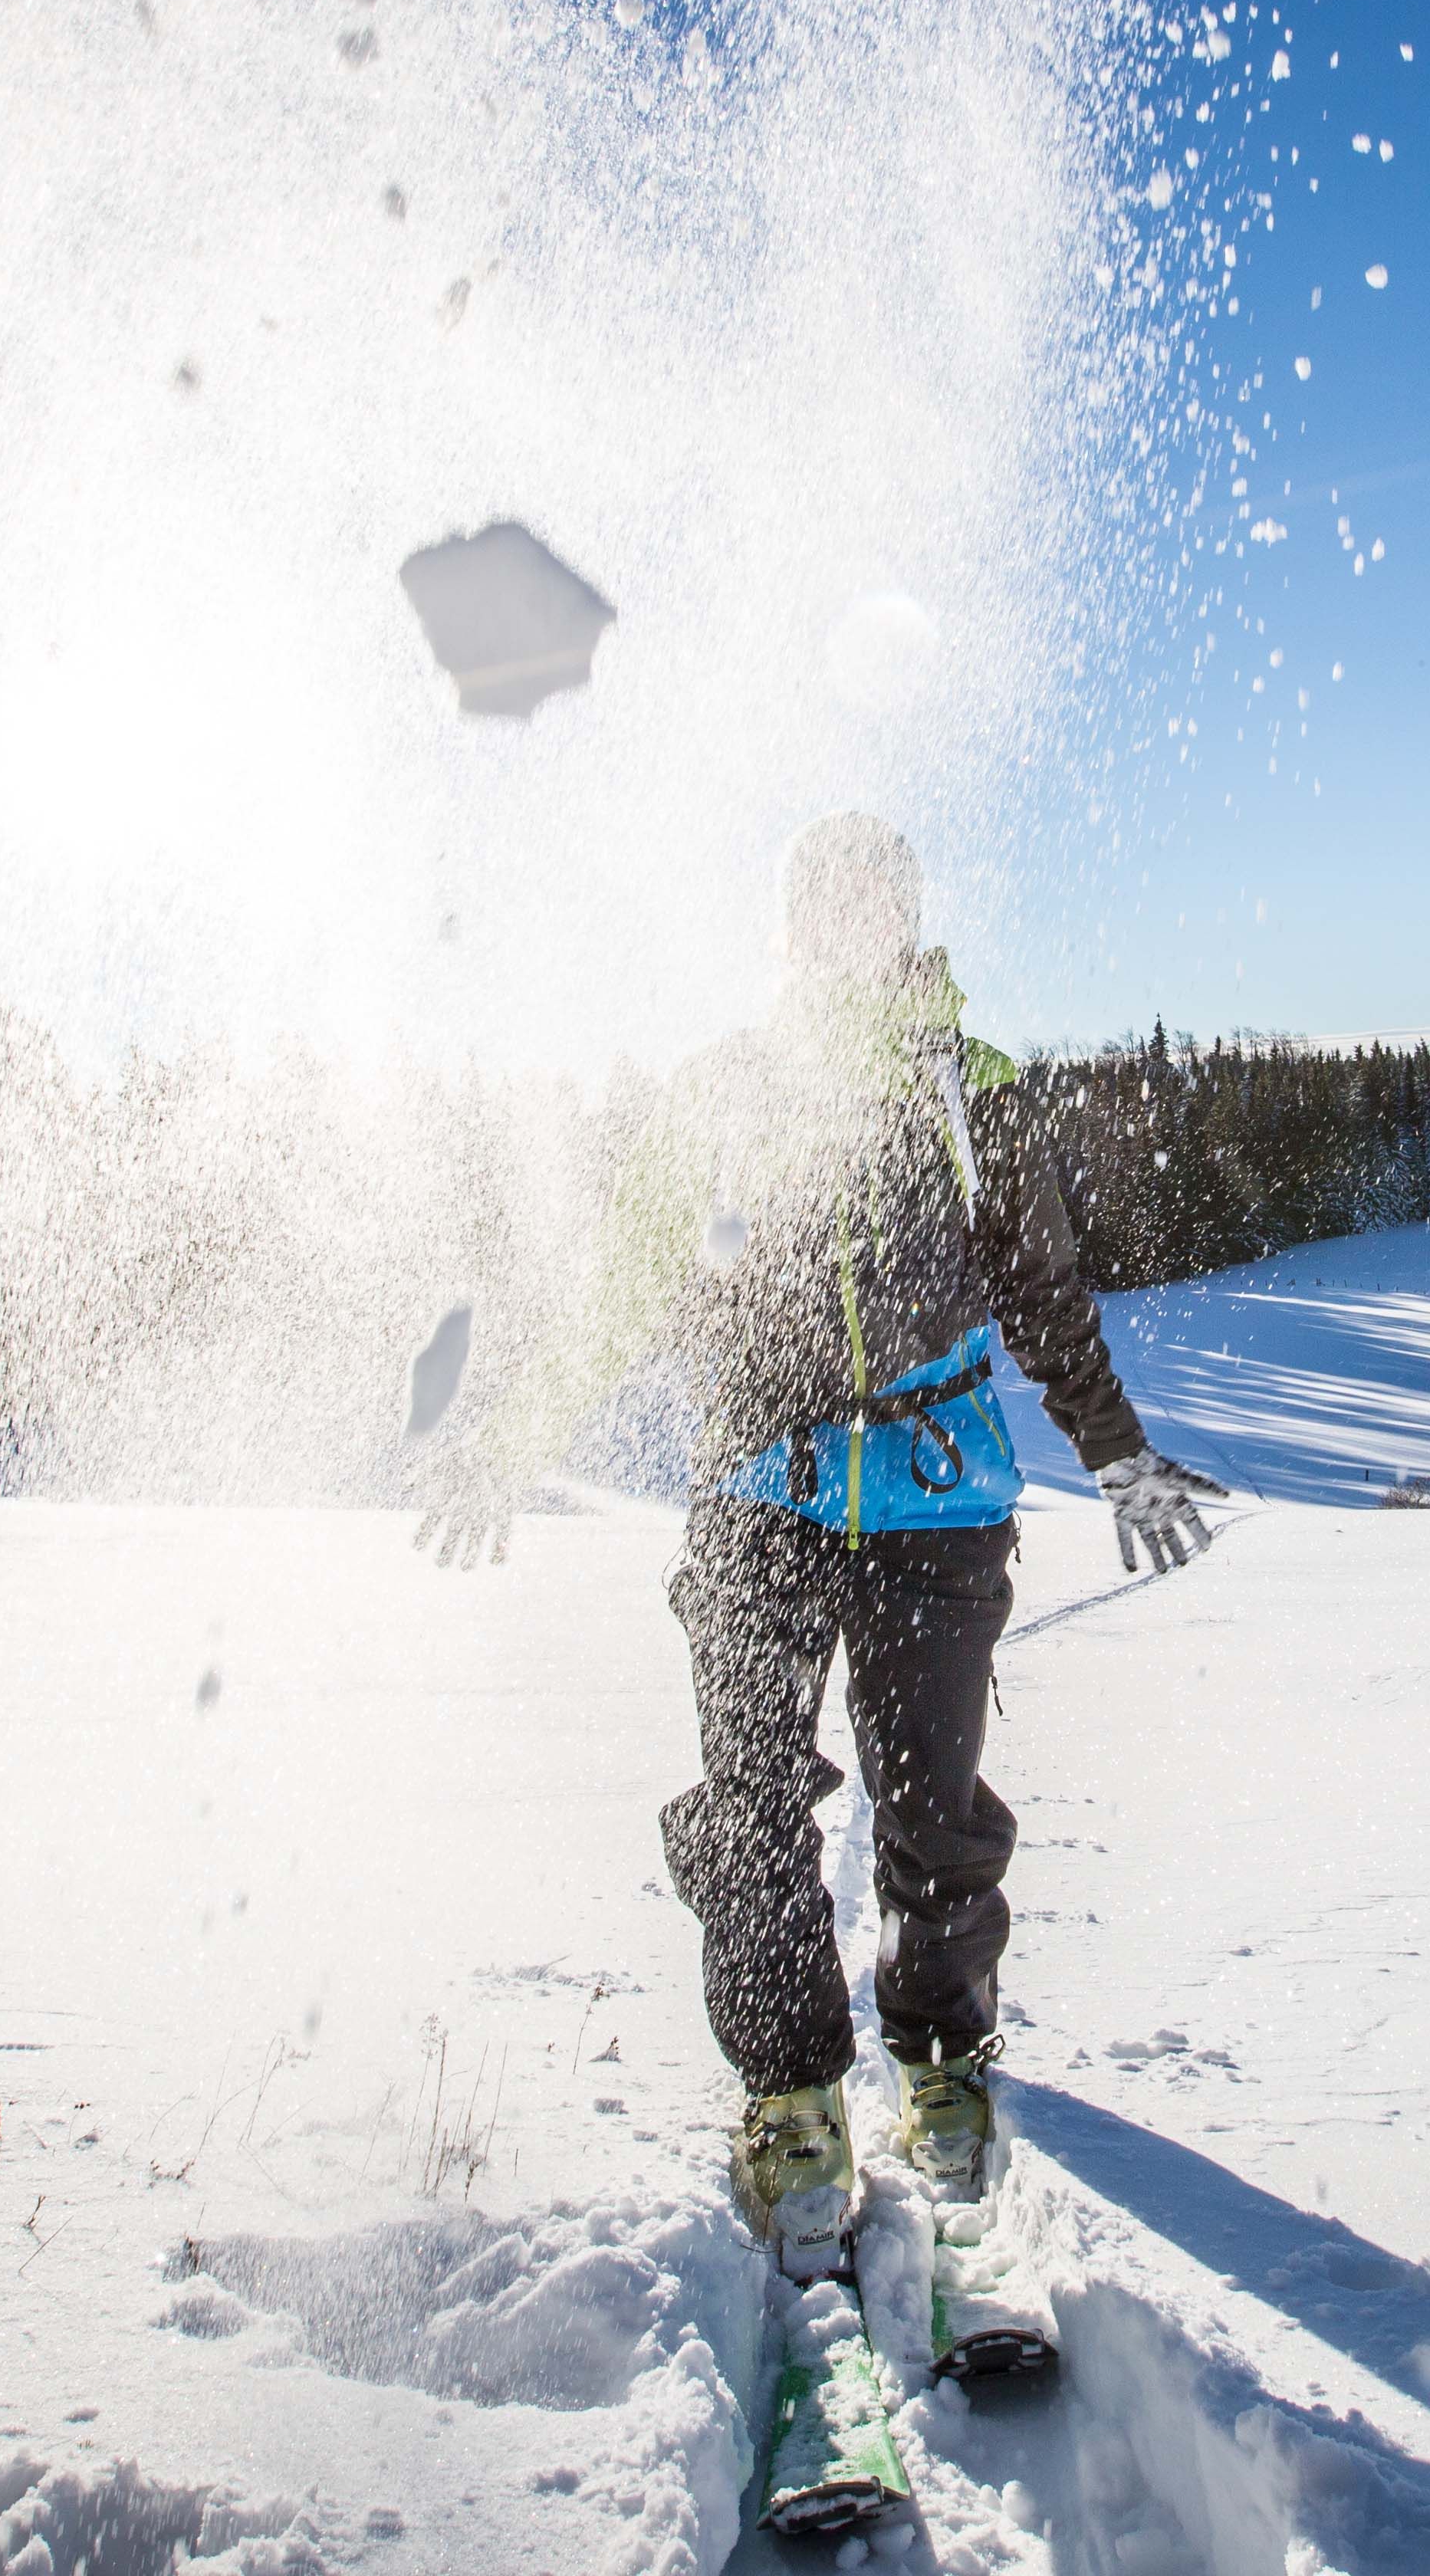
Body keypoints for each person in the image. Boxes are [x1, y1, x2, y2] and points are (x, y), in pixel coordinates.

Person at [410, 813, 1224, 2274]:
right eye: (820, 909)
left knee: (935, 1819)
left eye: (871, 907)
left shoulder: (972, 1092)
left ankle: (942, 2067)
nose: (845, 932)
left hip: (937, 1503)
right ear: (789, 930)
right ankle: (789, 2097)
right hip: (758, 1504)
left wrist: (1113, 1450)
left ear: (903, 923)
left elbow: (1041, 1295)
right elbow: (623, 1284)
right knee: (752, 1811)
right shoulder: (721, 1091)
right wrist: (514, 1431)